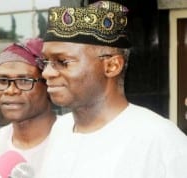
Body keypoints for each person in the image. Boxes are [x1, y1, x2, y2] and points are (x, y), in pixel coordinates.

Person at [38, 1, 187, 178]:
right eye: (45, 62)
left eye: (62, 62)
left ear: (112, 66)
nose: (47, 73)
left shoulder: (159, 138)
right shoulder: (60, 128)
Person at [0, 38, 57, 176]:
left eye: (24, 80)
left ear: (47, 84)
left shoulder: (73, 140)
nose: (10, 90)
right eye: (3, 80)